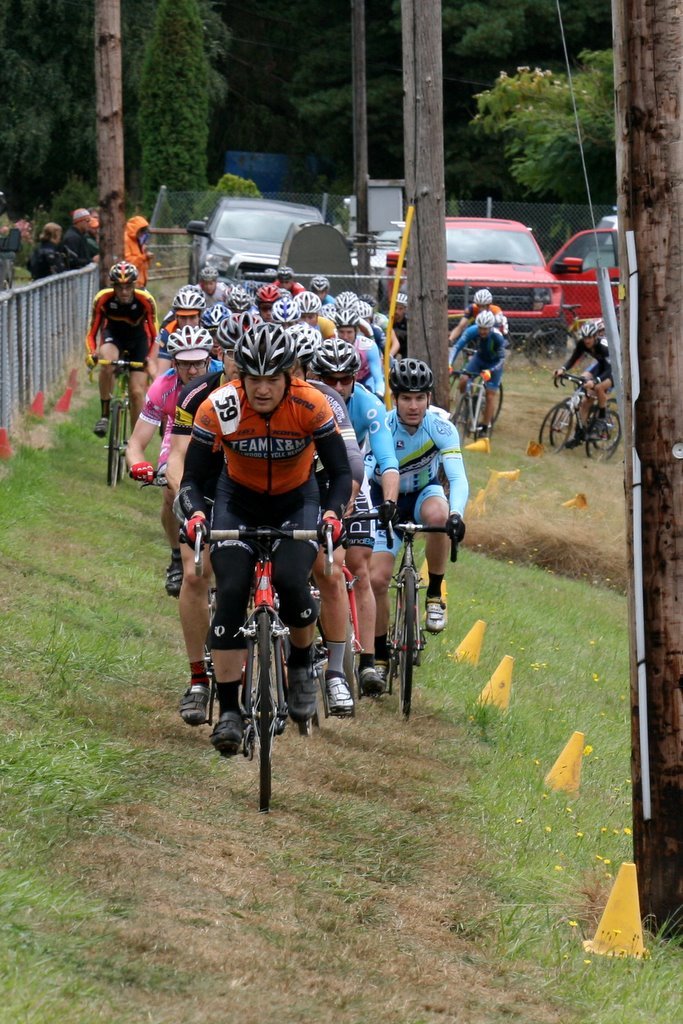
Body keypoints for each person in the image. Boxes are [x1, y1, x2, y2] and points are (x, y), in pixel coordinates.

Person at [178, 323, 353, 756]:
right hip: (237, 500)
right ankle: (229, 711)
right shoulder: (220, 406)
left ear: (288, 375)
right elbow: (193, 478)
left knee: (293, 581)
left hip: (297, 500)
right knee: (231, 590)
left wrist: (333, 513)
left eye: (271, 379)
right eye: (252, 378)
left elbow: (339, 472)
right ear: (240, 377)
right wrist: (196, 513)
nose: (261, 389)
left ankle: (300, 665)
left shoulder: (310, 404)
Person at [308, 338, 400, 696]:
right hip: (310, 483)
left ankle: (367, 662)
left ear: (355, 378)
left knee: (359, 567)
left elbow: (387, 460)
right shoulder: (308, 398)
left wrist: (388, 500)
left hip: (351, 482)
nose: (338, 386)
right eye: (329, 379)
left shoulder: (369, 405)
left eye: (345, 379)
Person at [165, 316, 244, 726]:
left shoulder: (274, 394)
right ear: (220, 354)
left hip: (255, 495)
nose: (239, 362)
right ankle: (198, 678)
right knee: (196, 574)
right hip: (208, 489)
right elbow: (177, 457)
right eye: (232, 353)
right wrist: (187, 499)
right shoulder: (197, 393)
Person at [369, 359, 468, 661]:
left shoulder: (441, 426)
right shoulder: (381, 426)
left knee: (440, 515)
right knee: (377, 580)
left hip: (425, 492)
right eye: (406, 398)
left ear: (428, 398)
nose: (413, 406)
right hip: (385, 499)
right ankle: (380, 654)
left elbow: (457, 477)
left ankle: (435, 594)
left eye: (419, 398)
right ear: (395, 399)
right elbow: (366, 471)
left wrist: (457, 515)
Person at [126, 326, 218, 596]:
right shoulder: (162, 387)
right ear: (174, 363)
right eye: (185, 364)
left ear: (209, 359)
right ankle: (177, 555)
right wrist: (138, 465)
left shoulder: (222, 379)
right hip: (178, 435)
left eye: (198, 363)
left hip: (217, 436)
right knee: (170, 488)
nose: (193, 370)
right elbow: (135, 443)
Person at [85, 261, 158, 434]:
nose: (124, 292)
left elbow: (156, 335)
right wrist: (91, 354)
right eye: (119, 287)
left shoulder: (146, 300)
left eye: (128, 287)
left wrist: (150, 359)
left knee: (136, 392)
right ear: (113, 287)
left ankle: (135, 440)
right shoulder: (103, 299)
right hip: (114, 337)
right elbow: (91, 333)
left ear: (134, 285)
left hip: (138, 341)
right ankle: (104, 416)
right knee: (107, 362)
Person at [554, 320, 613, 448]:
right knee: (585, 396)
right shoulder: (582, 344)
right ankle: (579, 435)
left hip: (615, 369)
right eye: (585, 338)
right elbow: (574, 358)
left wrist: (595, 381)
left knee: (599, 387)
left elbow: (610, 369)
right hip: (601, 366)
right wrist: (563, 369)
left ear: (595, 336)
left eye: (589, 338)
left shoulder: (603, 347)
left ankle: (602, 418)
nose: (587, 341)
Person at [450, 310, 506, 437]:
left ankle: (484, 427)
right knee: (464, 379)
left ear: (490, 328)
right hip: (479, 359)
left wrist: (490, 371)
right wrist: (449, 363)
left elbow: (502, 359)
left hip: (494, 364)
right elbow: (457, 347)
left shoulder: (497, 336)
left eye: (485, 329)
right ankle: (465, 406)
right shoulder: (472, 331)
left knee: (490, 395)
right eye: (480, 328)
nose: (482, 331)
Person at [155, 286, 206, 375]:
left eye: (192, 317)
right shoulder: (167, 331)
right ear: (176, 317)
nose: (187, 323)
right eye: (183, 317)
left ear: (200, 317)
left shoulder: (208, 328)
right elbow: (161, 373)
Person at [124, 215, 153, 288]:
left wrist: (147, 257)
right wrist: (144, 257)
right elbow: (128, 263)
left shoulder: (138, 241)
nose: (143, 234)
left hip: (140, 283)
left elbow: (144, 264)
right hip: (131, 284)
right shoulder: (126, 240)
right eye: (142, 231)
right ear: (135, 229)